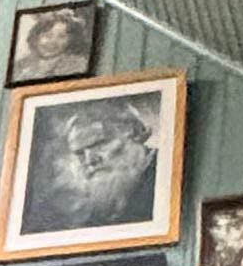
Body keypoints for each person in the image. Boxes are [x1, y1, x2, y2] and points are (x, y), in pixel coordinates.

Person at [23, 94, 157, 234]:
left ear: (136, 133)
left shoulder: (163, 178)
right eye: (80, 153)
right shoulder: (97, 207)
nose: (90, 160)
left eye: (99, 144)